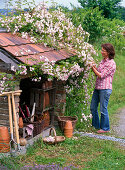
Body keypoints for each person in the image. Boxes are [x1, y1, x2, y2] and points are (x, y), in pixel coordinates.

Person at [90, 43, 116, 133]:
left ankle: (105, 128)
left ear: (108, 52)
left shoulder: (111, 63)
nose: (101, 52)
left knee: (103, 108)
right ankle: (96, 126)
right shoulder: (103, 61)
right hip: (98, 87)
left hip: (105, 89)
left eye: (103, 50)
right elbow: (97, 72)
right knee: (93, 107)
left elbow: (101, 75)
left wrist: (93, 68)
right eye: (101, 50)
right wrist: (94, 67)